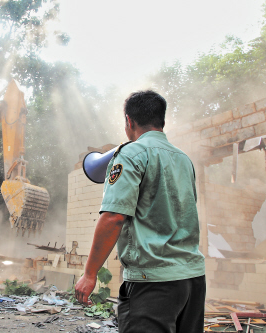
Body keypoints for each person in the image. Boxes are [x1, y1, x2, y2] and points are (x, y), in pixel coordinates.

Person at [75, 90, 205, 333]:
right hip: (192, 280)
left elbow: (113, 217)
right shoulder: (184, 159)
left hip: (152, 282)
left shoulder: (131, 153)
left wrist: (90, 274)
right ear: (161, 120)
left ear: (129, 121)